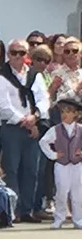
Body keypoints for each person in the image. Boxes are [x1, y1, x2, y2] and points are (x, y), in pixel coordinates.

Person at [0, 38, 50, 223]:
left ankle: (27, 209)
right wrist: (26, 121)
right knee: (11, 169)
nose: (18, 56)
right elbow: (4, 107)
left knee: (32, 169)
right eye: (14, 52)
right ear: (8, 55)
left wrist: (35, 117)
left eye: (22, 53)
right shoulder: (1, 78)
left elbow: (43, 99)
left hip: (33, 126)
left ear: (27, 55)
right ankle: (13, 209)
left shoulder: (35, 76)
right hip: (12, 128)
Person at [39, 97, 82, 229]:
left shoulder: (80, 129)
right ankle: (59, 218)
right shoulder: (56, 130)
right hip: (62, 165)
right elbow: (43, 142)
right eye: (62, 112)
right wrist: (53, 155)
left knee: (77, 193)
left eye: (68, 111)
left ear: (76, 114)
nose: (64, 115)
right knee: (61, 192)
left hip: (77, 165)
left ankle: (78, 219)